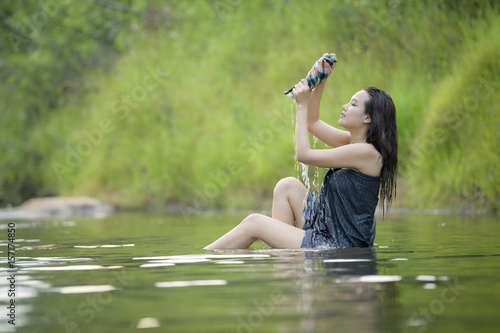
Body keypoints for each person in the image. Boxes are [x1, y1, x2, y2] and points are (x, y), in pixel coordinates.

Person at [204, 55, 398, 250]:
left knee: (254, 223)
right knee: (287, 186)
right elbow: (312, 122)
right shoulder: (352, 143)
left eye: (353, 104)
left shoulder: (367, 153)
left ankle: (204, 260)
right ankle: (287, 261)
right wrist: (321, 79)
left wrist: (301, 105)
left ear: (367, 118)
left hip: (338, 244)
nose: (345, 106)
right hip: (328, 230)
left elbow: (303, 155)